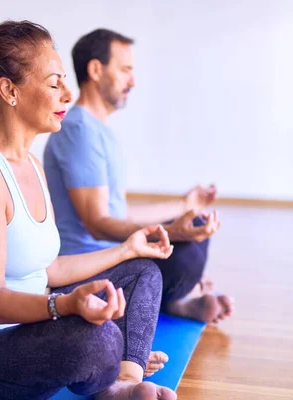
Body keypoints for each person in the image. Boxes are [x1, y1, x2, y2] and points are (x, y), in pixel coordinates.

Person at [0, 20, 177, 400]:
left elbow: (51, 268)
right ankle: (110, 376)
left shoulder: (32, 165)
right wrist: (65, 306)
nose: (68, 94)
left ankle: (126, 376)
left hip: (22, 333)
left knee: (142, 272)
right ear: (9, 90)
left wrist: (128, 248)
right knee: (98, 335)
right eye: (54, 82)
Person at [44, 29, 233, 324]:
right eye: (125, 70)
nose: (132, 81)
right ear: (96, 70)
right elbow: (97, 224)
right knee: (187, 250)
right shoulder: (80, 131)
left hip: (117, 253)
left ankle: (171, 300)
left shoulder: (95, 129)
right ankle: (171, 298)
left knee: (195, 223)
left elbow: (118, 212)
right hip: (91, 269)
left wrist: (185, 204)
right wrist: (171, 232)